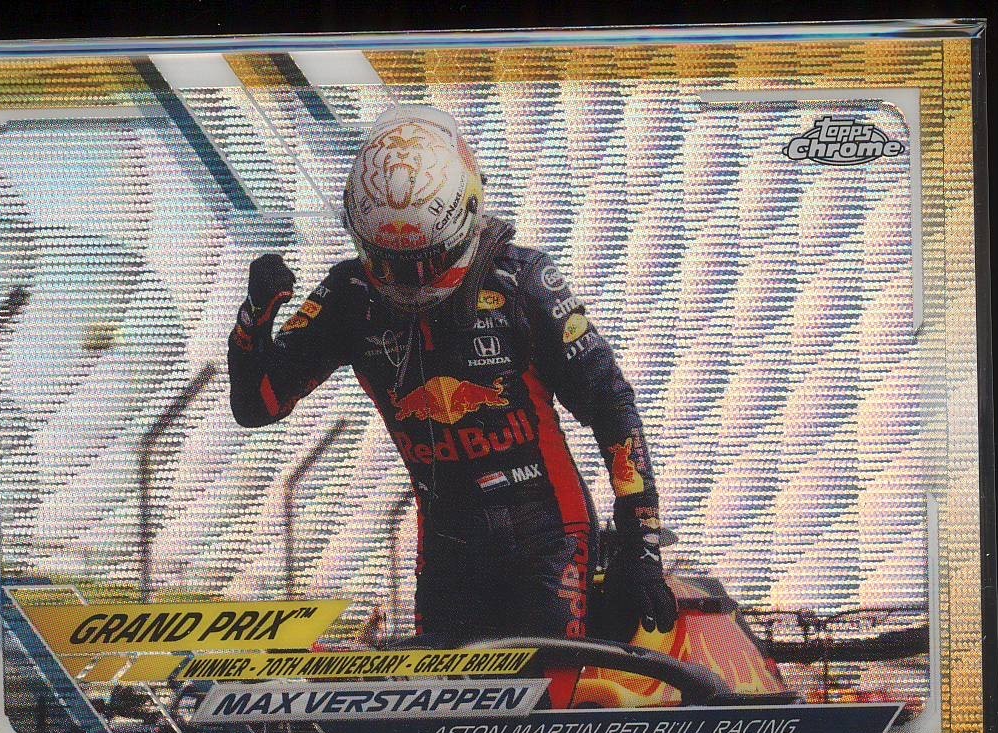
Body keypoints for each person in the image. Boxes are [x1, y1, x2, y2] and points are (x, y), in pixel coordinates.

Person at [228, 105, 676, 658]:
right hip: (447, 544)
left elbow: (611, 404)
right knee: (441, 704)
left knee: (545, 698)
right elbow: (258, 404)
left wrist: (640, 542)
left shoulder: (525, 282)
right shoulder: (348, 296)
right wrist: (254, 321)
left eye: (427, 261)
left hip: (547, 534)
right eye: (388, 263)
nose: (410, 281)